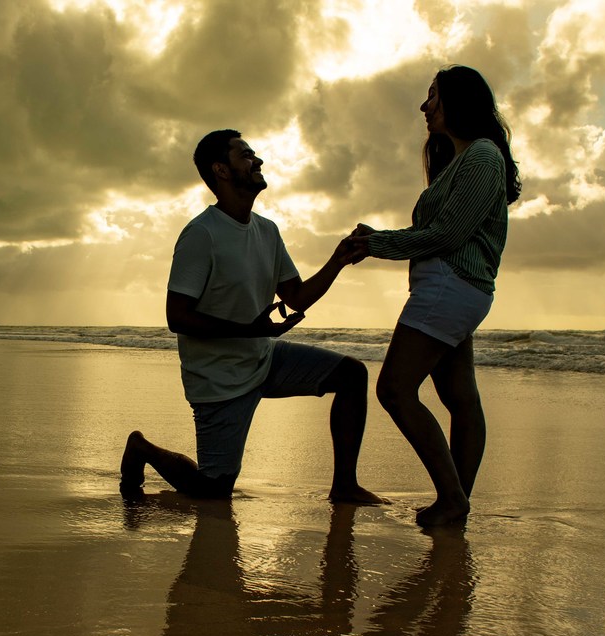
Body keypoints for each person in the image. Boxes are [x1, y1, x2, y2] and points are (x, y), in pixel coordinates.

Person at [120, 129, 384, 504]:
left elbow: (295, 296)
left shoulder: (267, 230)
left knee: (352, 374)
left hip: (264, 358)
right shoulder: (201, 234)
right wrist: (249, 330)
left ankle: (345, 485)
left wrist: (338, 260)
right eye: (245, 155)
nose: (257, 161)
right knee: (212, 491)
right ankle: (142, 448)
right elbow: (176, 316)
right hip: (218, 378)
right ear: (222, 170)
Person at [350, 65, 521, 526]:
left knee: (394, 389)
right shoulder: (464, 160)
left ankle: (452, 498)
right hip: (454, 288)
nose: (425, 107)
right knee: (459, 395)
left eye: (434, 97)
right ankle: (456, 503)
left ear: (459, 102)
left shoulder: (484, 157)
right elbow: (441, 232)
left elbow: (446, 235)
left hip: (449, 286)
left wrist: (376, 243)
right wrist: (379, 239)